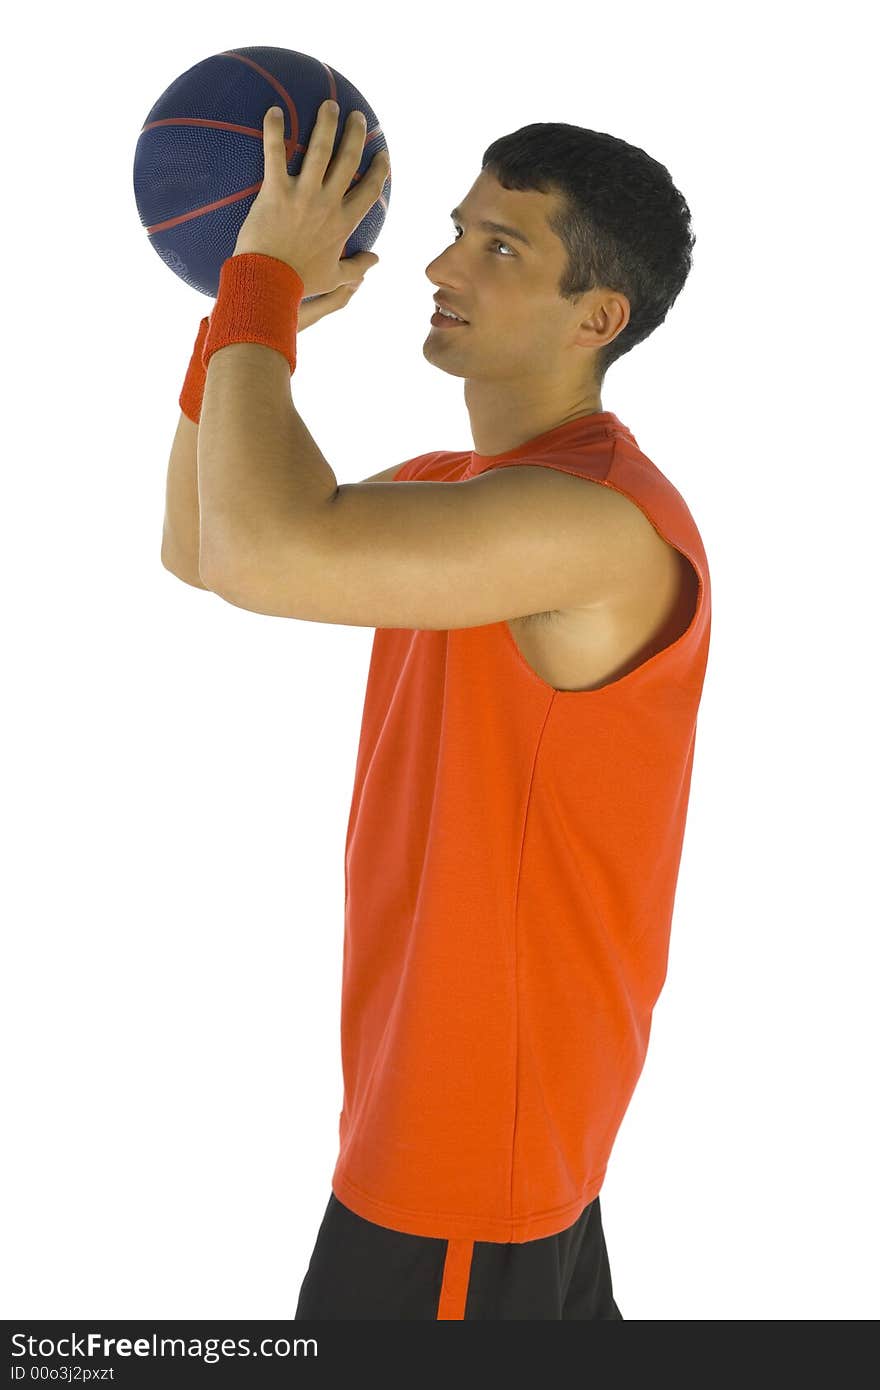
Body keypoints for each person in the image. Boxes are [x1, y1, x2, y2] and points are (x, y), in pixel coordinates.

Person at [171, 121, 711, 1320]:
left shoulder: (592, 521)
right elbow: (207, 545)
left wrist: (259, 286)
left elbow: (263, 550)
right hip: (476, 1132)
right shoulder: (460, 496)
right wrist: (237, 322)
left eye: (499, 246)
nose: (439, 268)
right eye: (456, 231)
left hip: (466, 1160)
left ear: (596, 318)